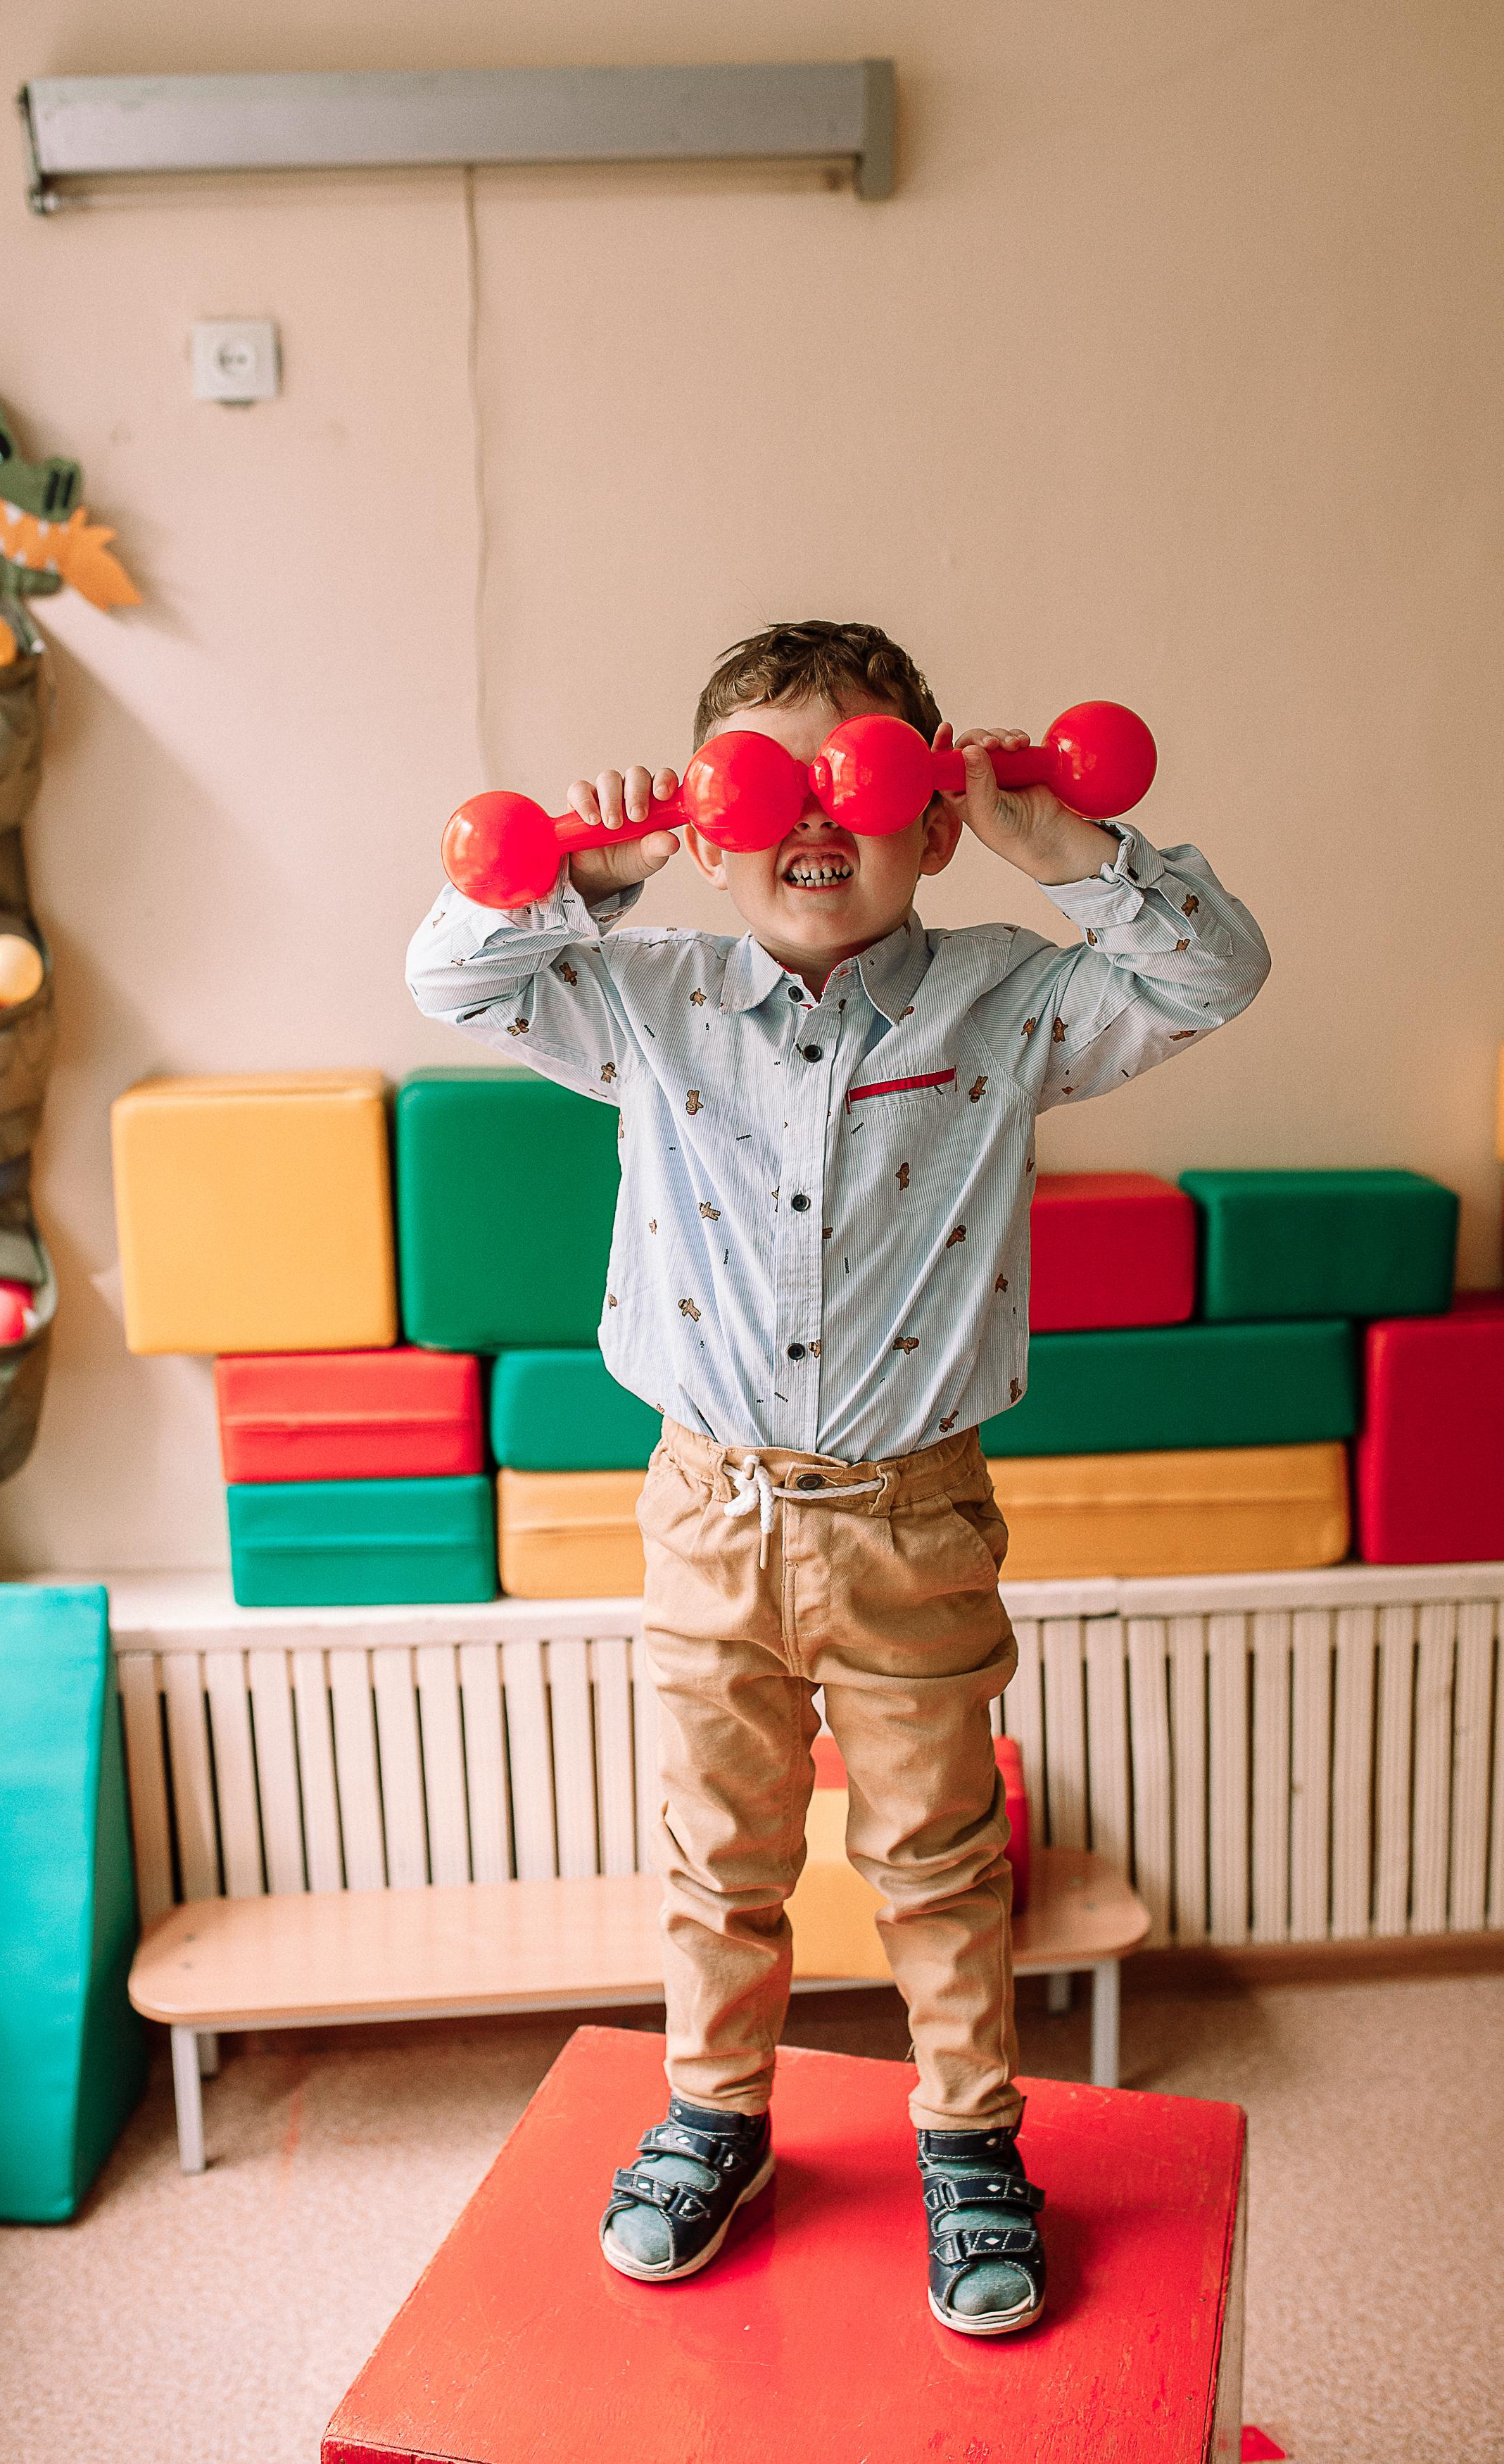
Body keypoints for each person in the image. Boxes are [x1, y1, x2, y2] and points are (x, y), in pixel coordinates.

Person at [406, 620, 1270, 2335]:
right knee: (717, 1850)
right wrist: (597, 870)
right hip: (706, 1506)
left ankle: (968, 2137)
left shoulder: (1010, 1000)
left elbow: (1213, 972)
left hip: (910, 1515)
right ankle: (715, 2111)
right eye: (767, 784)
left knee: (939, 1852)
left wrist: (1063, 842)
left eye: (857, 780)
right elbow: (458, 978)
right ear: (712, 824)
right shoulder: (641, 997)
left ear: (932, 822)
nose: (814, 816)